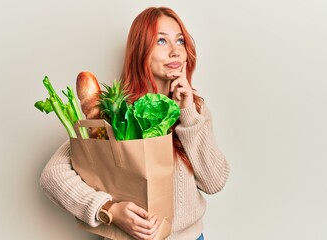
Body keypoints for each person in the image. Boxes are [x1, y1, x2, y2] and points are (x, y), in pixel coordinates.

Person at [40, 6, 230, 240]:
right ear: (141, 50)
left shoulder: (195, 109)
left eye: (180, 41)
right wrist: (108, 210)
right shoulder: (115, 113)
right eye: (161, 41)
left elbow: (214, 182)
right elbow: (52, 175)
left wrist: (188, 114)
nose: (175, 52)